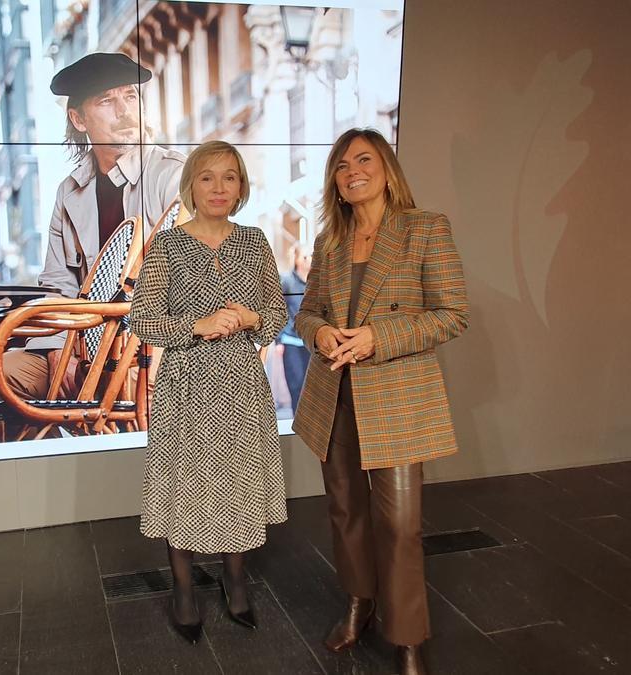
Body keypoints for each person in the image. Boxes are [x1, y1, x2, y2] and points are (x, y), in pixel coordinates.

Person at [293, 128, 469, 675]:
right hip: (335, 395)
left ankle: (408, 636)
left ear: (387, 168)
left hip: (395, 399)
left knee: (400, 526)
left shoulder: (425, 229)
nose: (352, 172)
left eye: (363, 160)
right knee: (346, 512)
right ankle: (358, 603)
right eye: (342, 166)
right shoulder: (330, 241)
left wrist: (377, 338)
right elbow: (307, 311)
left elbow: (451, 314)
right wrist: (320, 333)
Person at [129, 140, 288, 645]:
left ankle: (234, 575)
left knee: (237, 484)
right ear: (191, 186)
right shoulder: (169, 246)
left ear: (241, 187)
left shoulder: (255, 242)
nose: (219, 188)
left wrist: (252, 317)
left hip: (242, 384)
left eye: (230, 177)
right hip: (186, 387)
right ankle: (182, 587)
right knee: (185, 487)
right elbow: (142, 319)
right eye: (207, 177)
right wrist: (197, 324)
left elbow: (278, 316)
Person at [0, 52, 187, 401]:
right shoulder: (68, 193)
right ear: (79, 119)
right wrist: (56, 351)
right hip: (82, 348)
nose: (125, 110)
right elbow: (57, 287)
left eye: (130, 96)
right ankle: (63, 452)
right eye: (107, 101)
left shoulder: (174, 175)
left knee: (135, 387)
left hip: (154, 352)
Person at [277, 242, 313, 413]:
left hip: (311, 341)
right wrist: (278, 342)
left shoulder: (315, 282)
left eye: (312, 256)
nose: (310, 260)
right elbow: (278, 310)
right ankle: (296, 419)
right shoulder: (286, 281)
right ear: (298, 259)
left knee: (311, 385)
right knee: (296, 382)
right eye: (306, 256)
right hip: (291, 340)